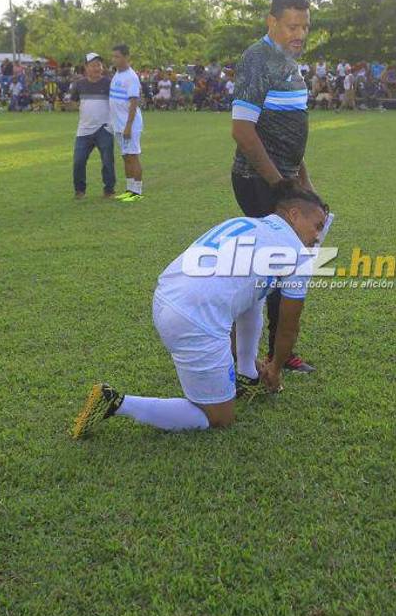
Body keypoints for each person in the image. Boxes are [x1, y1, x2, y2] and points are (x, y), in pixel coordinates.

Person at [71, 180, 326, 437]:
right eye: (317, 226)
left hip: (166, 297)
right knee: (218, 418)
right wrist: (276, 369)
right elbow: (288, 328)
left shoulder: (249, 225)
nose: (318, 236)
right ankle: (116, 402)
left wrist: (249, 363)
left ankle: (247, 376)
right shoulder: (297, 255)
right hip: (194, 320)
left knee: (253, 300)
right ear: (294, 215)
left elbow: (250, 304)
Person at [230, 0, 317, 374]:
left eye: (305, 26)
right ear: (272, 22)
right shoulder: (257, 59)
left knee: (284, 263)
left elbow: (290, 137)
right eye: (291, 26)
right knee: (282, 264)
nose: (299, 34)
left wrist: (305, 184)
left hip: (283, 179)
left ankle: (272, 353)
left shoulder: (288, 62)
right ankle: (263, 356)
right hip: (256, 179)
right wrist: (279, 184)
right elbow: (243, 131)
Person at [72, 52, 116, 199]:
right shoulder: (79, 84)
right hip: (84, 130)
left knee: (107, 161)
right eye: (93, 65)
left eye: (99, 65)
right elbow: (73, 102)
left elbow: (117, 104)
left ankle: (109, 190)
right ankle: (80, 190)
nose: (97, 68)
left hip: (104, 128)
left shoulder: (109, 83)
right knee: (78, 161)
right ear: (86, 67)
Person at [109, 44, 144, 201]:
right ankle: (129, 189)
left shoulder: (131, 77)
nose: (114, 60)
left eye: (117, 56)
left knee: (133, 156)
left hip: (129, 124)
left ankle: (137, 192)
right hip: (118, 124)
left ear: (126, 57)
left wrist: (128, 126)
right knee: (125, 156)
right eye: (113, 56)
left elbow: (133, 103)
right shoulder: (117, 74)